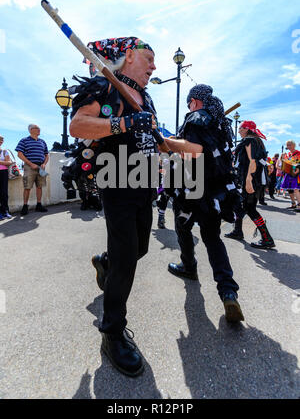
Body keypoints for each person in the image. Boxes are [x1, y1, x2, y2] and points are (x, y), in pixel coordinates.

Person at [69, 37, 157, 377]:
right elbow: (78, 126)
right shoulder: (105, 86)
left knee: (140, 249)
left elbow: (147, 138)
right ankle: (112, 332)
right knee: (126, 260)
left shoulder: (145, 97)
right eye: (149, 58)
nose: (154, 67)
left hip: (144, 185)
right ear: (130, 55)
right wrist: (125, 123)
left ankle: (105, 264)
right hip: (117, 181)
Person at [163, 84, 244, 323]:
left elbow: (194, 151)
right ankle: (228, 290)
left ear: (195, 101)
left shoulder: (196, 117)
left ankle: (189, 266)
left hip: (193, 187)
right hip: (216, 191)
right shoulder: (220, 122)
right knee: (212, 238)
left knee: (183, 228)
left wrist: (166, 141)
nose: (189, 107)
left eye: (189, 103)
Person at [224, 121, 275, 249]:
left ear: (246, 129)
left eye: (241, 128)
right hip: (253, 180)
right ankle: (237, 231)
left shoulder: (249, 141)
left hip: (251, 180)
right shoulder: (255, 141)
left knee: (250, 208)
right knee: (240, 205)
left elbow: (253, 162)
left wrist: (248, 181)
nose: (239, 130)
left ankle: (267, 238)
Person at [15, 125, 49, 215]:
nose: (39, 129)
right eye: (37, 128)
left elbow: (46, 155)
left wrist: (44, 163)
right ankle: (25, 206)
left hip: (41, 167)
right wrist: (31, 164)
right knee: (27, 187)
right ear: (31, 130)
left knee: (39, 186)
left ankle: (39, 205)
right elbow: (19, 154)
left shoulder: (42, 141)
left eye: (39, 128)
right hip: (29, 167)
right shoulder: (24, 140)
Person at [280, 140, 300, 212]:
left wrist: (298, 169)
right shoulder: (287, 154)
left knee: (296, 189)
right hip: (288, 173)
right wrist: (282, 158)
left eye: (290, 145)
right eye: (287, 145)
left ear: (294, 145)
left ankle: (299, 205)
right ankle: (293, 204)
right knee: (289, 189)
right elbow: (284, 164)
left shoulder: (298, 153)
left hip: (296, 173)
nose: (288, 146)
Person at [0, 135, 13, 220]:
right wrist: (3, 162)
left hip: (3, 173)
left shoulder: (4, 151)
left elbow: (9, 162)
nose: (1, 142)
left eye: (2, 140)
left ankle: (5, 211)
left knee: (4, 193)